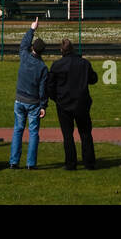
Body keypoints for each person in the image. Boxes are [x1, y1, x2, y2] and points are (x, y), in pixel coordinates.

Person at [47, 37, 98, 171]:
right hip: (81, 103)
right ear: (73, 49)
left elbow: (50, 86)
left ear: (61, 51)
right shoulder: (84, 63)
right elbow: (93, 79)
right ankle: (89, 163)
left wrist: (56, 98)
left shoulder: (57, 65)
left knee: (67, 135)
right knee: (86, 133)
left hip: (64, 105)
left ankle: (70, 163)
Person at [9, 16, 48, 170]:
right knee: (33, 133)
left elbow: (23, 44)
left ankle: (14, 161)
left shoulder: (24, 56)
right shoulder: (43, 67)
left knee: (18, 130)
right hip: (33, 102)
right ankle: (30, 164)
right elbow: (43, 89)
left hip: (19, 99)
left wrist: (32, 29)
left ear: (33, 48)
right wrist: (44, 105)